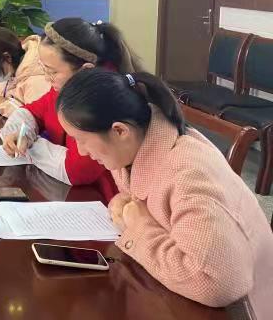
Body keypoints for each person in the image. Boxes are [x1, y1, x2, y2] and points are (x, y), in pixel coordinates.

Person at [57, 69, 273, 313]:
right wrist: (126, 205)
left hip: (244, 309)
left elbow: (217, 284)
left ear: (119, 131)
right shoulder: (136, 146)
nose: (81, 151)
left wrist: (139, 227)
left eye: (82, 139)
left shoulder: (188, 174)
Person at [0, 18, 141, 199]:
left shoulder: (105, 100)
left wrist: (29, 146)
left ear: (85, 70)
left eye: (52, 71)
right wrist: (21, 134)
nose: (46, 78)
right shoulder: (63, 88)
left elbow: (75, 170)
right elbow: (31, 112)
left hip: (105, 201)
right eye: (43, 68)